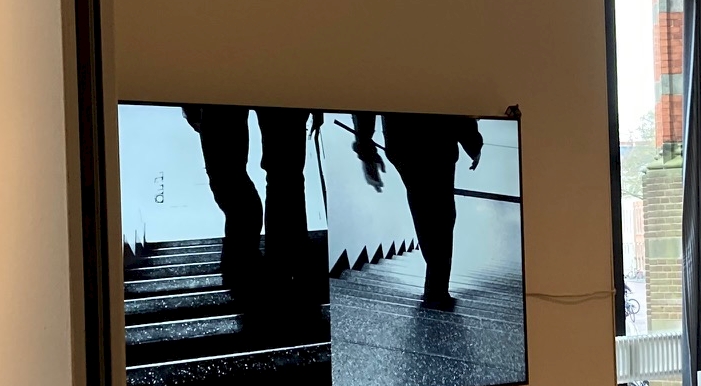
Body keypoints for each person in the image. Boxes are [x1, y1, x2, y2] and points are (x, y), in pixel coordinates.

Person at [180, 105, 319, 306]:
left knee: (234, 179)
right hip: (282, 83)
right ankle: (283, 270)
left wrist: (190, 106)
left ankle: (252, 268)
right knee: (284, 176)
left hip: (221, 84)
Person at [351, 113, 482, 310]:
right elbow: (457, 94)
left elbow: (365, 96)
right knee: (442, 214)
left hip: (401, 139)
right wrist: (472, 143)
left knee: (424, 207)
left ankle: (435, 290)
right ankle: (436, 292)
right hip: (439, 136)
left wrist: (366, 150)